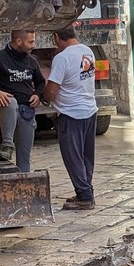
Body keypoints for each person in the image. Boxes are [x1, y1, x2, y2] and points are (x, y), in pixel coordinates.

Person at [43, 25, 98, 211]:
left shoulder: (62, 58)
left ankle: (84, 196)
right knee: (86, 156)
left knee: (73, 156)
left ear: (56, 36)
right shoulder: (87, 51)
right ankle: (85, 190)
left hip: (70, 113)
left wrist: (44, 98)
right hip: (90, 110)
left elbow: (51, 89)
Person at [0, 29, 45, 173]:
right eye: (30, 41)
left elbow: (40, 82)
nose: (34, 45)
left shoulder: (32, 61)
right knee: (11, 102)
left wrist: (37, 95)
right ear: (18, 41)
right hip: (6, 108)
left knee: (24, 158)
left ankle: (24, 183)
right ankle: (7, 144)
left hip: (26, 110)